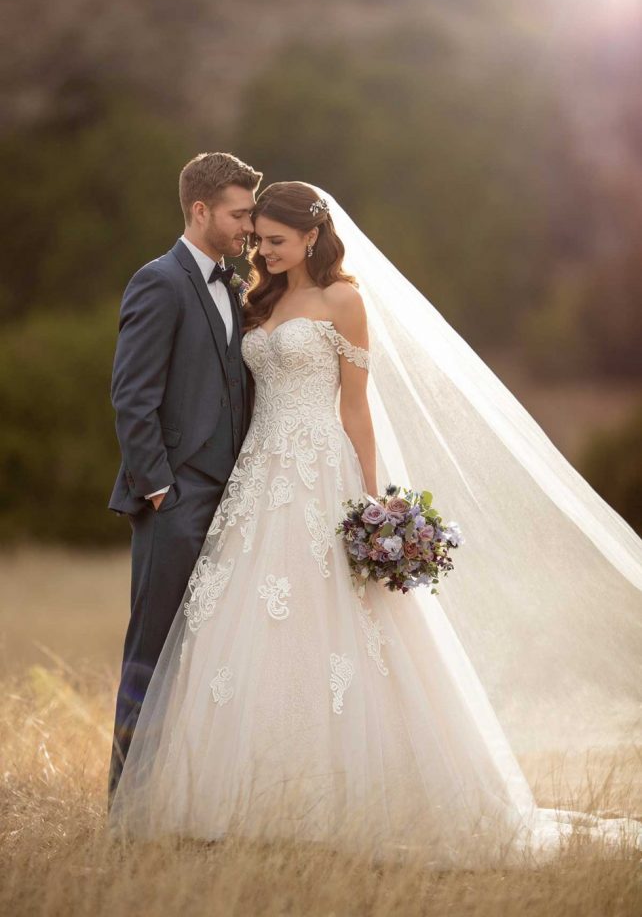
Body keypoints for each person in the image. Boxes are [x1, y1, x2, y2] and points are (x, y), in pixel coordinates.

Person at [109, 181, 642, 866]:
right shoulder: (256, 299)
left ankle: (341, 802)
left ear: (311, 236)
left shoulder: (345, 301)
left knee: (341, 625)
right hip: (257, 476)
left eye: (274, 240)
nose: (261, 251)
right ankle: (236, 801)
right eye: (257, 238)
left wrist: (372, 496)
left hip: (319, 470)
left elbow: (356, 407)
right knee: (234, 628)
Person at [107, 151, 262, 804]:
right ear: (199, 210)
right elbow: (131, 394)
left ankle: (186, 797)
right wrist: (161, 487)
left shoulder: (238, 284)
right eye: (239, 214)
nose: (249, 226)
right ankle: (126, 803)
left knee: (214, 656)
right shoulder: (159, 281)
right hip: (177, 498)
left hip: (238, 499)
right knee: (152, 647)